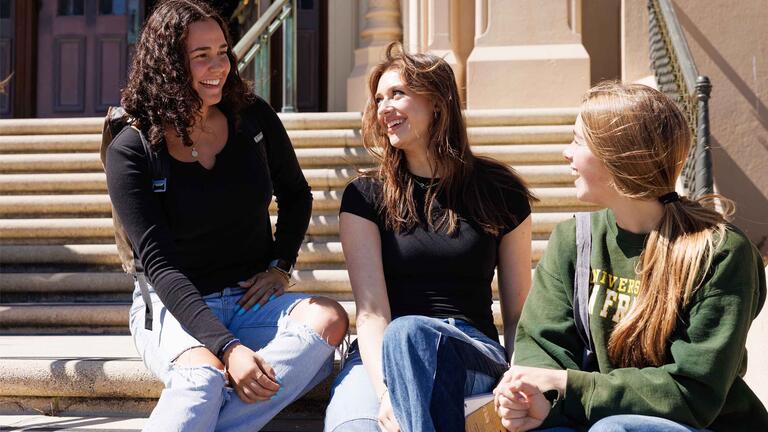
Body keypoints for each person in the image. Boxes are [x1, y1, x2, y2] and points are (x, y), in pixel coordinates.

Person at [104, 1, 348, 430]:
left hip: (251, 299)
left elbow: (296, 194)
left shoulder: (253, 118)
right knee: (204, 377)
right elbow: (159, 266)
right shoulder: (132, 149)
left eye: (223, 51)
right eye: (201, 56)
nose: (218, 65)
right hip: (173, 305)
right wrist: (229, 349)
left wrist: (280, 265)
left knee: (329, 319)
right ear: (169, 65)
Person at [493, 82, 768, 432]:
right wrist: (530, 397)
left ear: (620, 157)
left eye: (578, 141)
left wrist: (569, 385)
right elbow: (541, 348)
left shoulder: (719, 252)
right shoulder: (574, 240)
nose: (566, 153)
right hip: (594, 416)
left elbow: (693, 392)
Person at [323, 42, 536, 432]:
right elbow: (372, 314)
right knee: (355, 426)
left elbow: (518, 312)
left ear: (438, 102)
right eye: (379, 99)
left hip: (470, 350)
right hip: (382, 352)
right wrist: (387, 393)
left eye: (397, 94)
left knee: (413, 332)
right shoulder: (366, 196)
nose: (383, 108)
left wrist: (516, 378)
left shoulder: (499, 189)